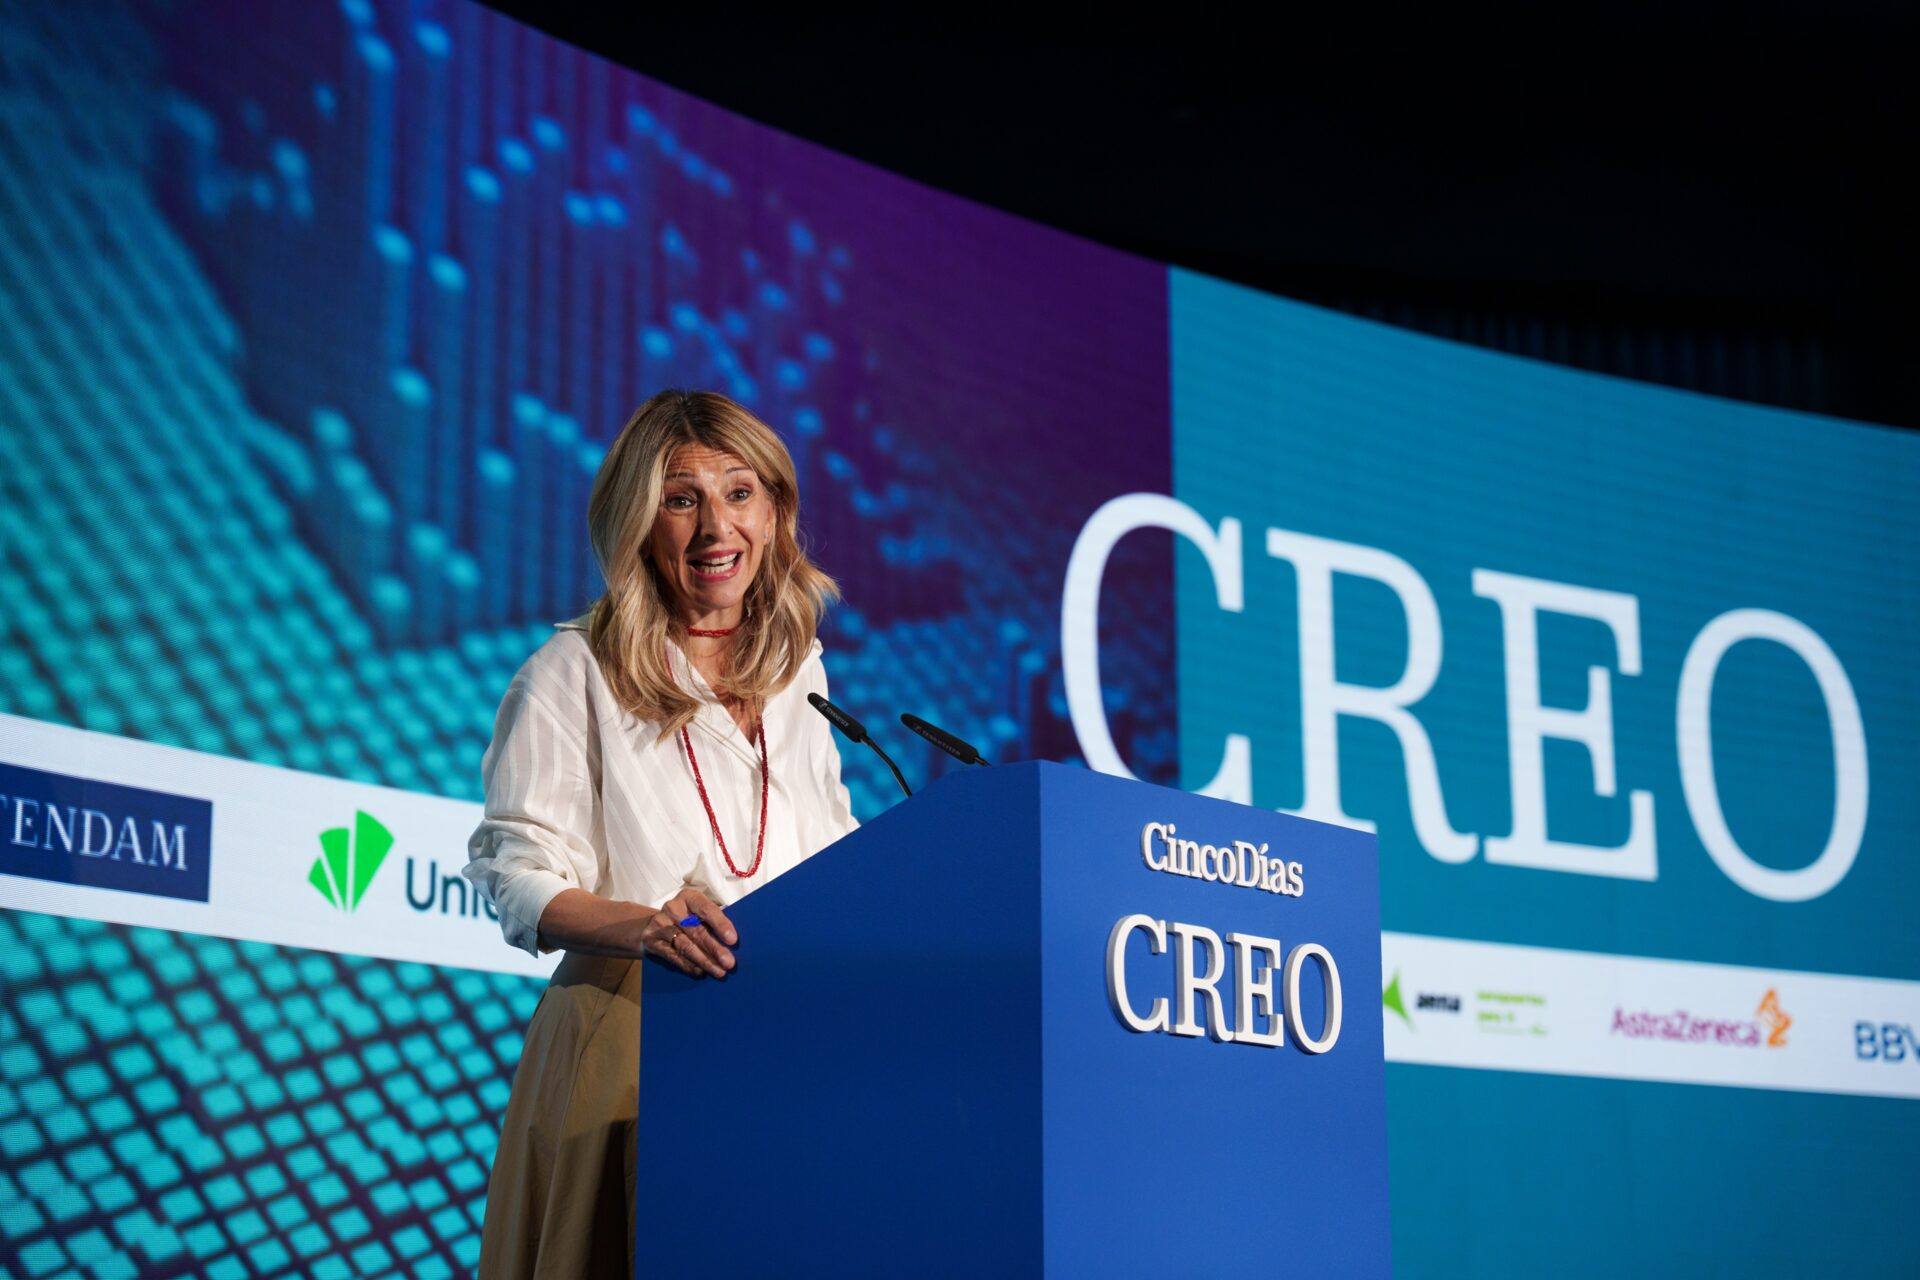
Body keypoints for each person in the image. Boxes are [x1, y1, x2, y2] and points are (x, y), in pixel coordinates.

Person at [463, 389, 858, 1279]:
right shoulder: (573, 671)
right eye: (682, 500)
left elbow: (834, 848)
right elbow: (517, 876)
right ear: (639, 525)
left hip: (777, 1046)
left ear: (775, 512)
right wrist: (647, 927)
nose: (717, 526)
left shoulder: (800, 676)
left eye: (740, 493)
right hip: (632, 1039)